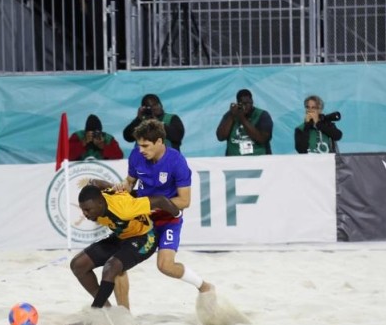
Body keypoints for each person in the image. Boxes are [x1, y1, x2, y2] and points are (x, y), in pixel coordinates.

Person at [97, 119, 213, 308]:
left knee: (165, 266)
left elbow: (185, 201)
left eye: (145, 145)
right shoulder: (136, 155)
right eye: (139, 145)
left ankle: (204, 286)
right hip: (142, 219)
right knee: (117, 264)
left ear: (160, 142)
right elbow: (130, 182)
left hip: (168, 220)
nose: (141, 149)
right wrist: (122, 187)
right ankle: (124, 314)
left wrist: (147, 204)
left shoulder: (177, 162)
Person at [71, 184, 180, 309]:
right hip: (121, 236)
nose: (85, 214)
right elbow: (95, 182)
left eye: (88, 210)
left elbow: (161, 200)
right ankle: (105, 309)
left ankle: (95, 311)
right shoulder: (100, 202)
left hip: (144, 237)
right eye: (83, 210)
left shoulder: (124, 209)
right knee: (78, 264)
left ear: (100, 203)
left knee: (111, 267)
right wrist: (109, 185)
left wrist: (177, 214)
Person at [215, 88, 274, 156]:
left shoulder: (262, 115)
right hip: (234, 161)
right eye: (243, 103)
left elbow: (262, 139)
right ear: (238, 103)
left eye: (248, 103)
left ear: (252, 101)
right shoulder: (230, 114)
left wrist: (242, 119)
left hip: (259, 159)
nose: (246, 106)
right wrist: (231, 116)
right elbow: (220, 137)